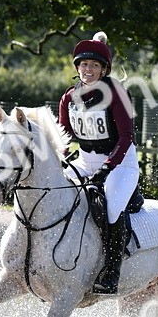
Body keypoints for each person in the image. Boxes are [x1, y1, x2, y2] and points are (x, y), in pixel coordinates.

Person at [57, 31, 139, 295]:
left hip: (120, 163)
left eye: (94, 65)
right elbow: (64, 135)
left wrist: (108, 166)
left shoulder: (116, 92)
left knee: (112, 209)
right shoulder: (69, 98)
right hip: (84, 161)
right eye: (83, 64)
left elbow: (126, 136)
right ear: (77, 68)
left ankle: (112, 272)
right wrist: (60, 155)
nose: (88, 69)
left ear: (104, 70)